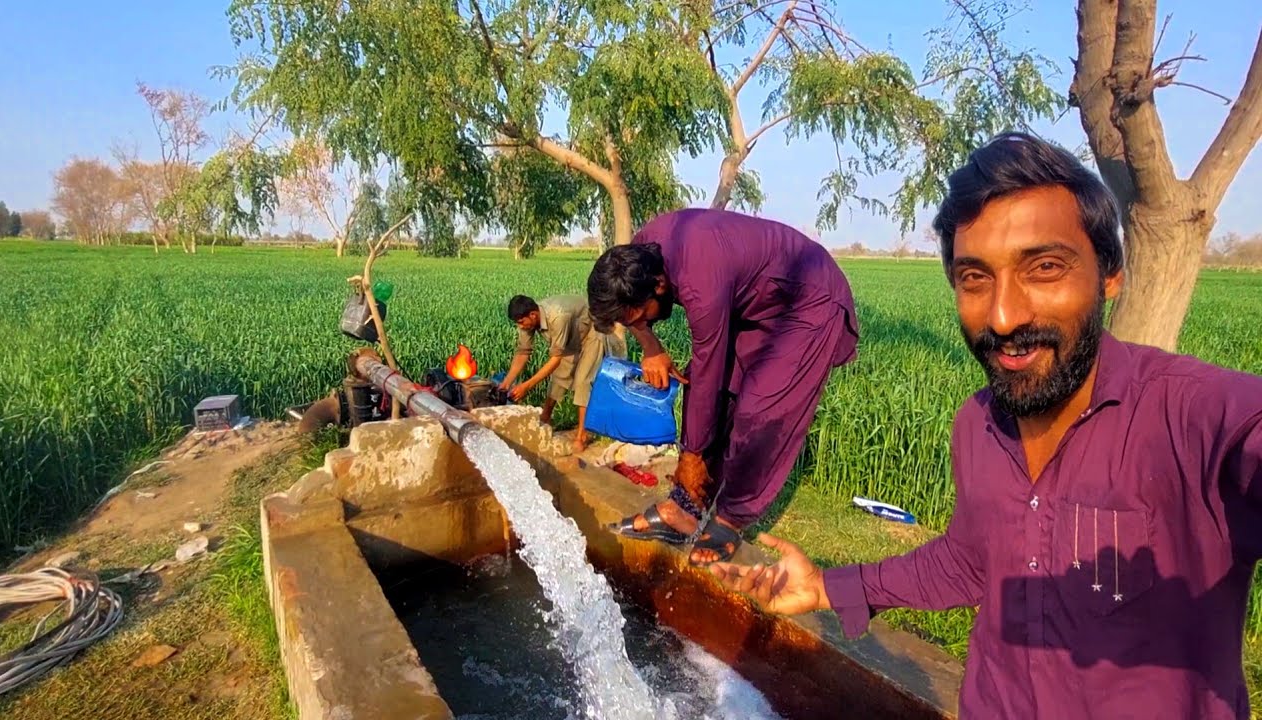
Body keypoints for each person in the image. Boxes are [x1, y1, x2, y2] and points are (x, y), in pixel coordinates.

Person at [708, 132, 1262, 719]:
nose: (1003, 316)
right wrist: (829, 588)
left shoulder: (1197, 419)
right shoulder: (978, 423)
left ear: (1109, 272)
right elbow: (972, 557)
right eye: (975, 278)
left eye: (1044, 268)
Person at [586, 208, 860, 566]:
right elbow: (637, 316)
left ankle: (732, 517)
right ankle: (685, 508)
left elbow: (708, 371)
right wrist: (651, 347)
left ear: (660, 286)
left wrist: (691, 454)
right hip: (756, 302)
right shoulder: (637, 256)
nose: (639, 324)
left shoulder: (701, 282)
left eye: (639, 317)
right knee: (718, 392)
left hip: (807, 299)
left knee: (761, 410)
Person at [498, 294, 626, 452]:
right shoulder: (528, 321)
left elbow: (556, 359)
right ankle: (545, 418)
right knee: (559, 377)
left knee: (583, 381)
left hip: (593, 333)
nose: (521, 327)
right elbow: (523, 352)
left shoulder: (558, 316)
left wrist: (527, 386)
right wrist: (506, 383)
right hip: (572, 339)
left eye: (521, 322)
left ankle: (582, 435)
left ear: (533, 315)